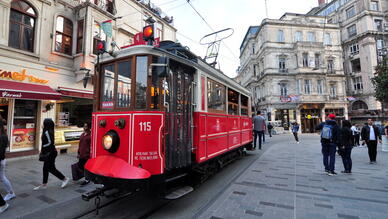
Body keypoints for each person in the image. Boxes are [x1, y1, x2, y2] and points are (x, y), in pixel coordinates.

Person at [34, 119, 69, 190]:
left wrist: (43, 147)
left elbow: (50, 143)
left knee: (51, 168)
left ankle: (64, 179)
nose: (42, 124)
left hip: (51, 153)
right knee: (45, 168)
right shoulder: (47, 131)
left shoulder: (48, 132)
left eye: (44, 123)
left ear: (47, 124)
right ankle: (44, 184)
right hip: (49, 152)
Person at [0, 121, 15, 201]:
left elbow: (1, 152)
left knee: (2, 177)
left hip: (0, 160)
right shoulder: (3, 135)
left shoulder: (2, 136)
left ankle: (11, 193)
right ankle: (11, 193)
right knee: (2, 177)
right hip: (2, 160)